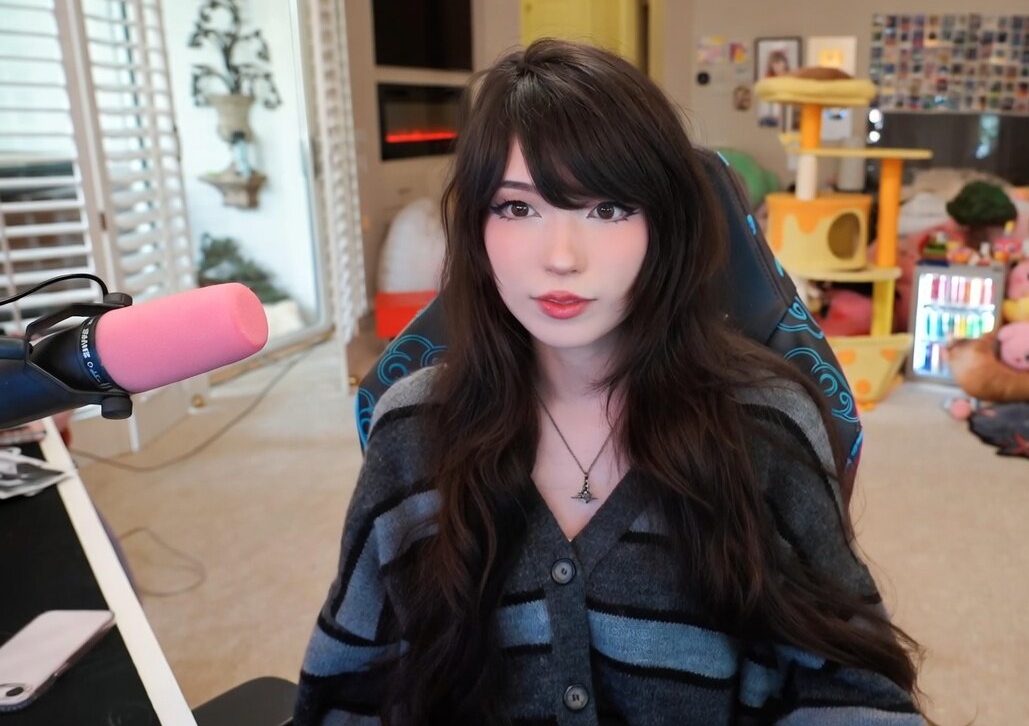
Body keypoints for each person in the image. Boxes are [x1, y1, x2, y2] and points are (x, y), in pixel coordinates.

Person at [295, 39, 926, 725]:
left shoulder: (762, 426)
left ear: (666, 226)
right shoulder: (413, 429)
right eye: (517, 209)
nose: (561, 258)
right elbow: (348, 692)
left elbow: (855, 692)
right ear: (476, 231)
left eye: (607, 209)